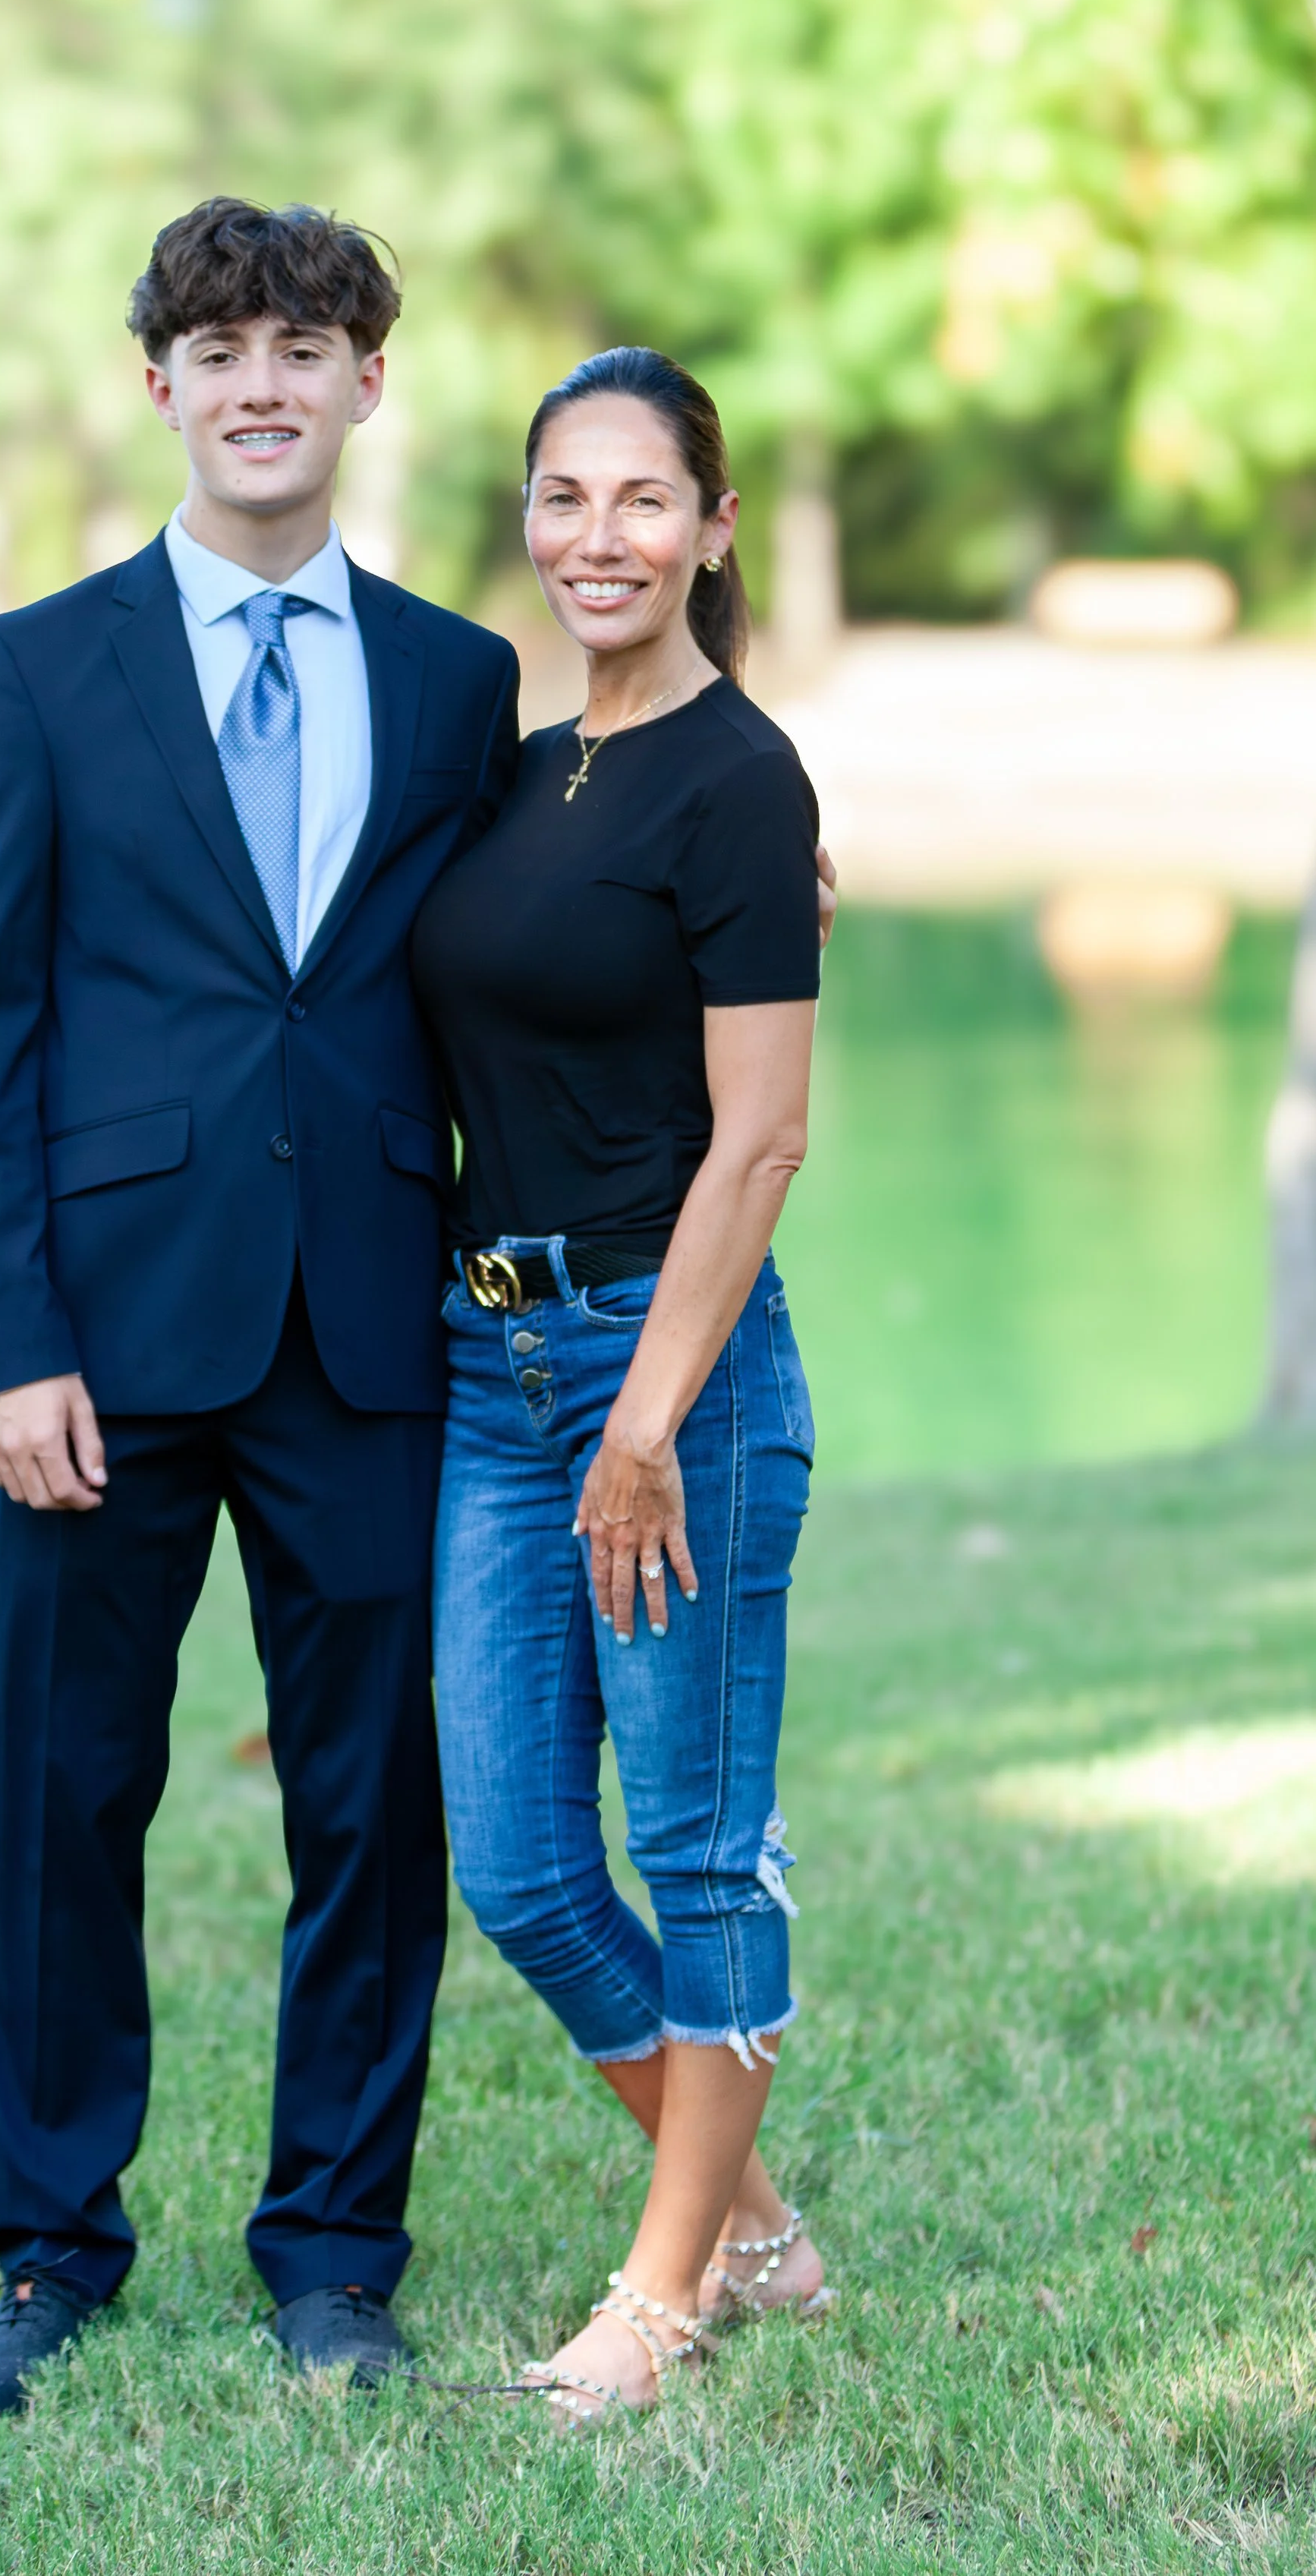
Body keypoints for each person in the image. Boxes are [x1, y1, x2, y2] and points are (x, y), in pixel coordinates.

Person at [0, 198, 526, 2418]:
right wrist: (6, 1339)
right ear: (154, 385)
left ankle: (334, 2251)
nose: (261, 382)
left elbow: (512, 972)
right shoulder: (37, 667)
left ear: (370, 382)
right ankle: (54, 2246)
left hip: (375, 1327)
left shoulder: (464, 681)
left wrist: (741, 888)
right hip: (99, 1332)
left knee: (377, 1809)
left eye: (305, 344)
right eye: (218, 347)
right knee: (63, 1798)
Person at [411, 346, 832, 2427]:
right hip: (491, 1371)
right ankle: (747, 2212)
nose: (599, 538)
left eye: (641, 500)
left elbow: (756, 1140)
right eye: (563, 498)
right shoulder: (518, 767)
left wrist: (646, 1419)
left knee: (691, 1839)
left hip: (664, 1376)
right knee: (514, 1857)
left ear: (712, 527)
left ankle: (658, 2301)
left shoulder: (741, 778)